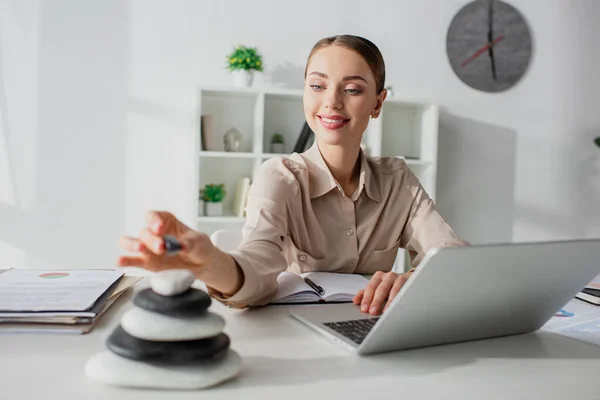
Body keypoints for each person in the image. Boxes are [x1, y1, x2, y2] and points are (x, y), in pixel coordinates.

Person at [118, 35, 470, 315]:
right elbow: (256, 265)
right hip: (294, 335)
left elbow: (451, 254)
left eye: (352, 89)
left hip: (374, 331)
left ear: (378, 103)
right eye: (318, 86)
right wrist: (210, 263)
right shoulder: (280, 177)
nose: (331, 102)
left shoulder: (398, 180)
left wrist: (412, 281)